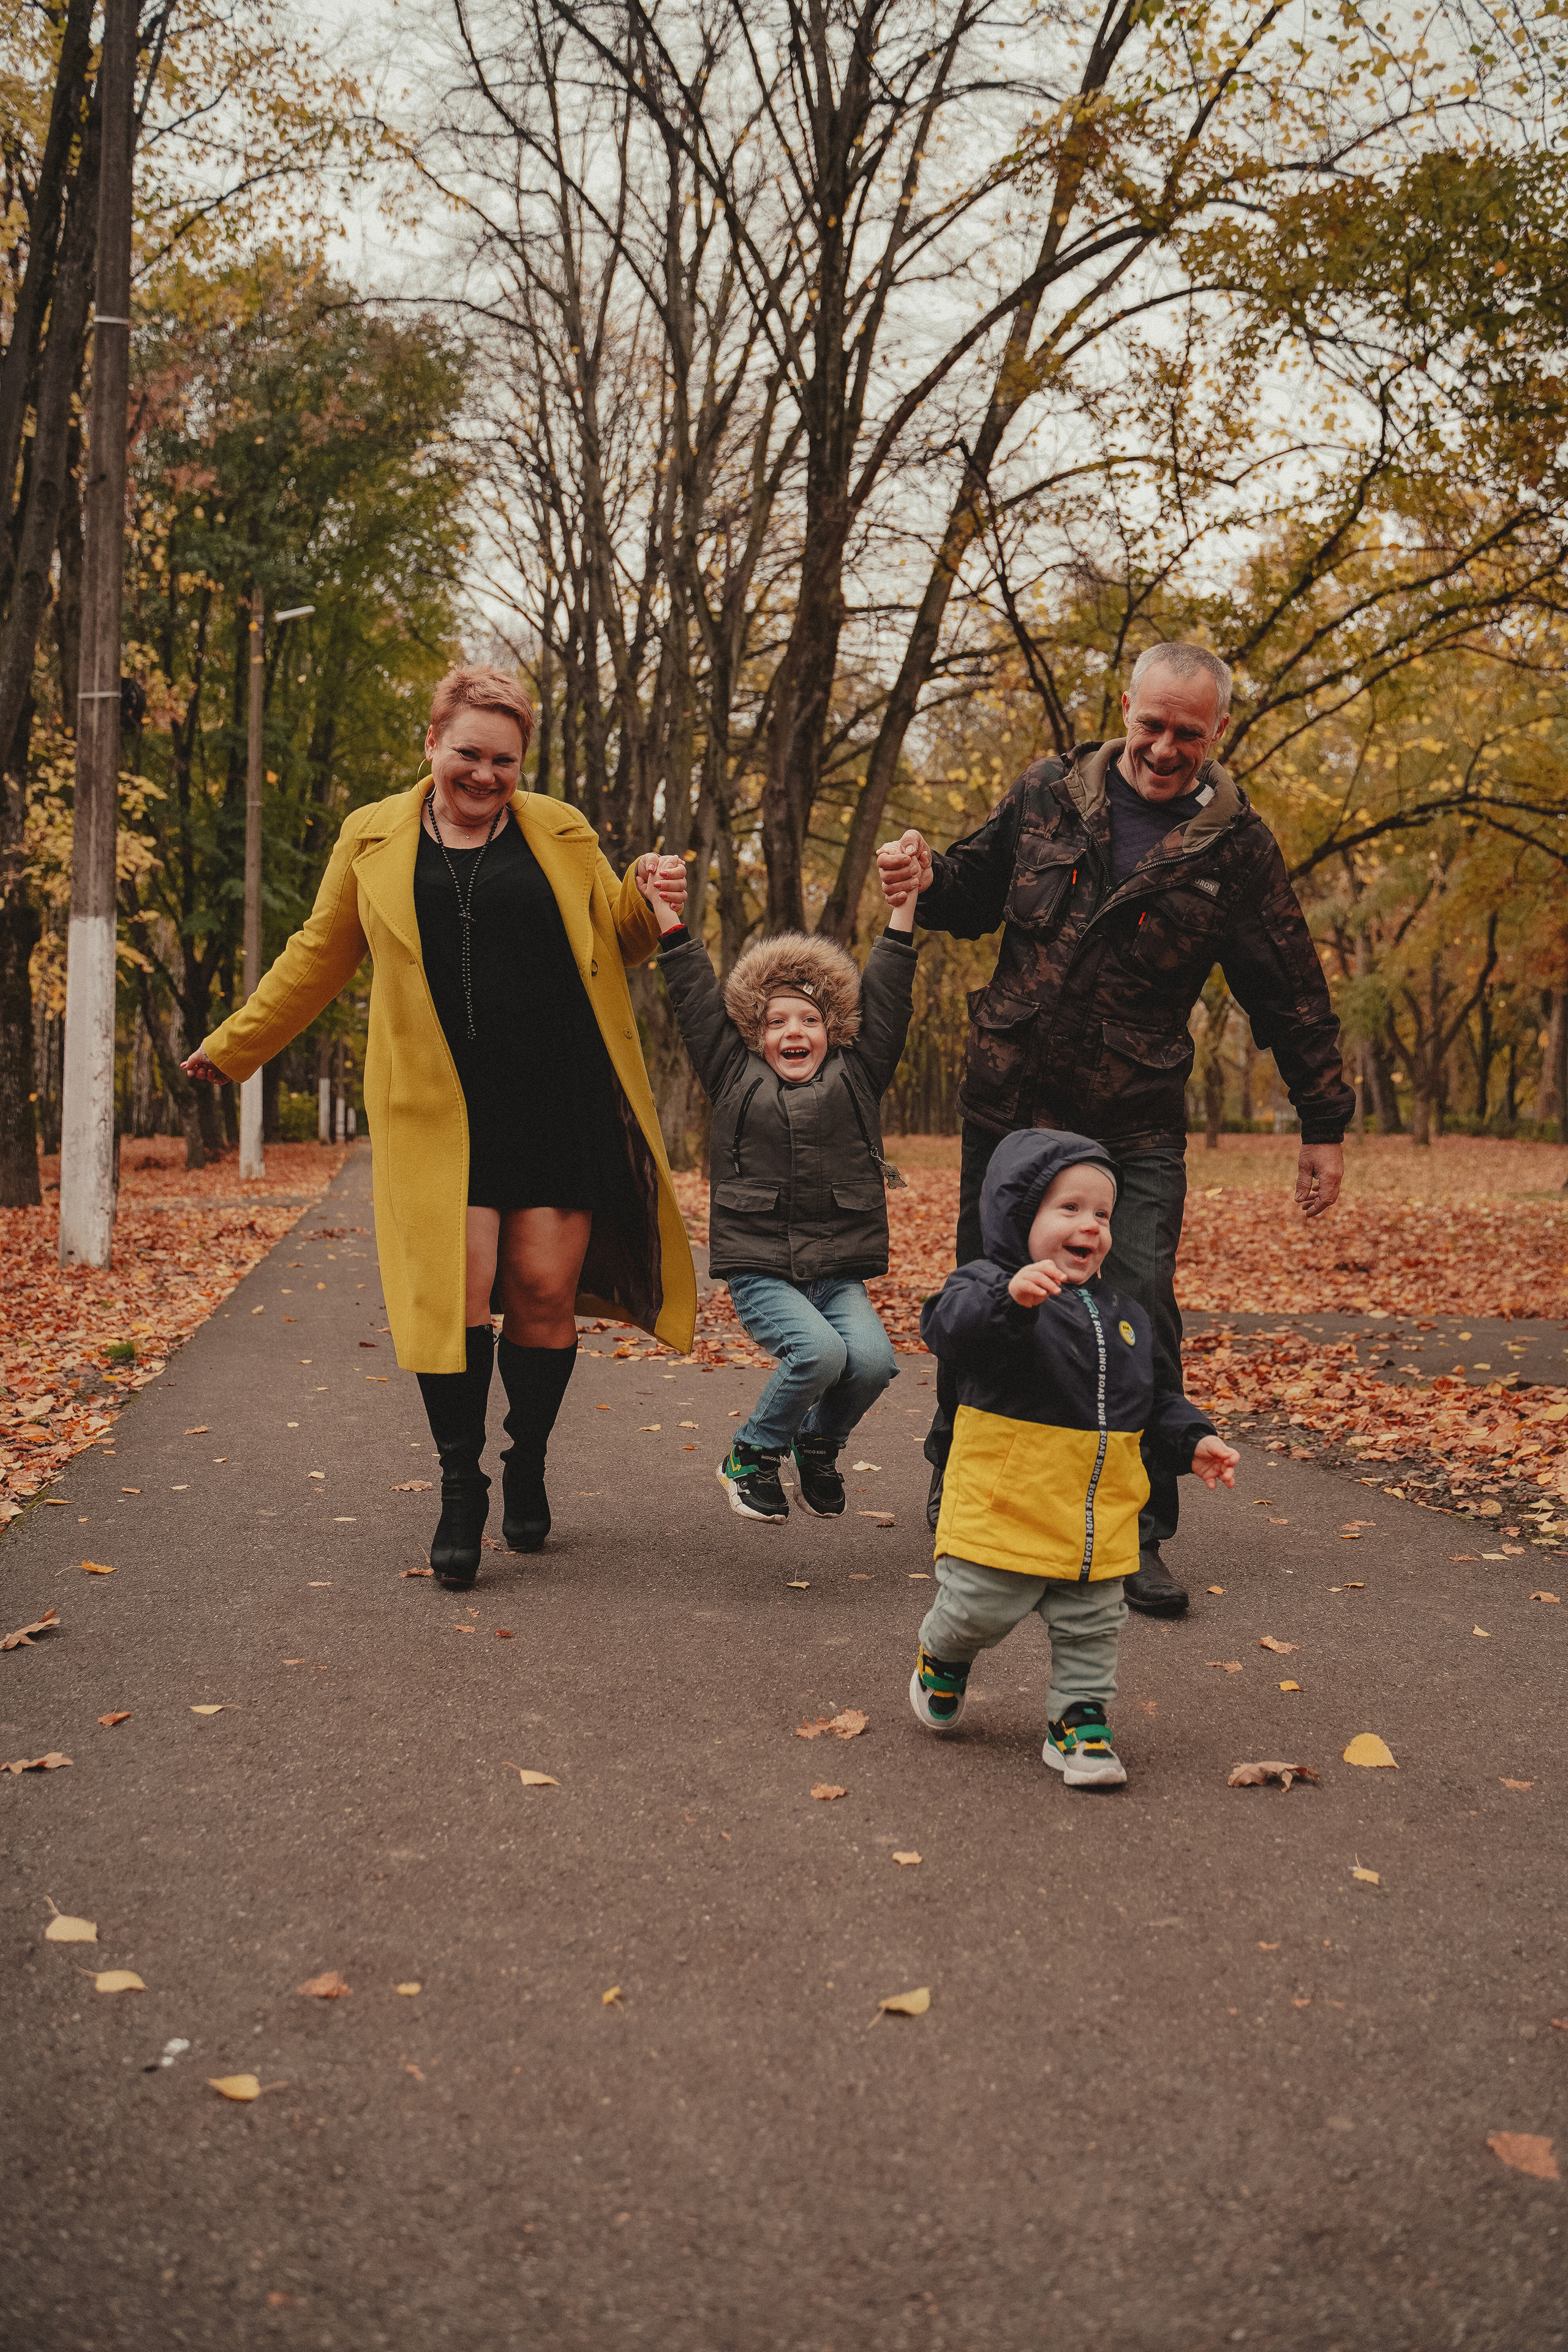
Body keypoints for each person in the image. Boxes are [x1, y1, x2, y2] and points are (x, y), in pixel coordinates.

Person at [182, 663, 696, 1589]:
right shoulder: (372, 836)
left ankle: (526, 1458)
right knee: (454, 1302)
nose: (486, 774)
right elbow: (318, 954)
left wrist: (645, 896)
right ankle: (461, 1487)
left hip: (556, 1098)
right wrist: (235, 1046)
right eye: (469, 753)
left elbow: (611, 937)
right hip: (436, 1110)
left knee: (541, 1294)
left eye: (505, 759)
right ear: (432, 745)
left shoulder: (559, 830)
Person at [876, 641, 1353, 1617]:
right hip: (1011, 1108)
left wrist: (1323, 1121)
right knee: (989, 1298)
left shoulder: (1237, 849)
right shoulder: (1048, 792)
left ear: (1216, 732)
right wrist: (923, 869)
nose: (1166, 747)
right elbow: (968, 894)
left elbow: (1290, 991)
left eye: (1190, 731)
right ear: (1126, 707)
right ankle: (962, 1491)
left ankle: (1137, 1531)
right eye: (1153, 723)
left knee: (1139, 1312)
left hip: (1132, 1120)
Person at [910, 1129, 1239, 1787]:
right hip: (1007, 1507)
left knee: (1093, 1627)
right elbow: (948, 1326)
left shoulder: (1123, 1314)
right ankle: (941, 1658)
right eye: (1069, 1209)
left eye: (1101, 1215)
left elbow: (1152, 1397)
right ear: (1017, 1215)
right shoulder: (988, 1288)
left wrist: (1191, 1437)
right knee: (977, 1609)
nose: (1089, 1225)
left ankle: (1078, 1722)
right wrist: (1012, 1299)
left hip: (1096, 1521)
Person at [637, 865, 917, 1523]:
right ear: (752, 1034)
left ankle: (818, 1444)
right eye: (776, 1021)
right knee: (818, 1354)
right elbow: (694, 997)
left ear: (835, 1027)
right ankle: (752, 1454)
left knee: (873, 1363)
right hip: (762, 1266)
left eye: (810, 1019)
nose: (793, 1032)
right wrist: (667, 916)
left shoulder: (860, 1074)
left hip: (837, 1268)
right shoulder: (731, 1072)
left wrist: (903, 912)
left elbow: (890, 994)